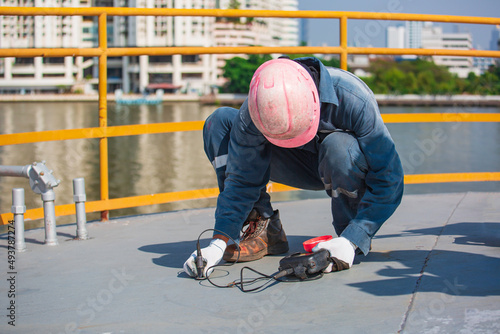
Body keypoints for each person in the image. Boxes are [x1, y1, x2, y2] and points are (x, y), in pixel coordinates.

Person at [183, 56, 404, 278]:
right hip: (291, 164)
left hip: (335, 163)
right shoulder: (257, 106)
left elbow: (389, 178)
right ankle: (263, 225)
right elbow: (241, 180)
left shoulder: (353, 98)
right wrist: (219, 243)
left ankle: (348, 234)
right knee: (219, 122)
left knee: (339, 146)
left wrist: (354, 237)